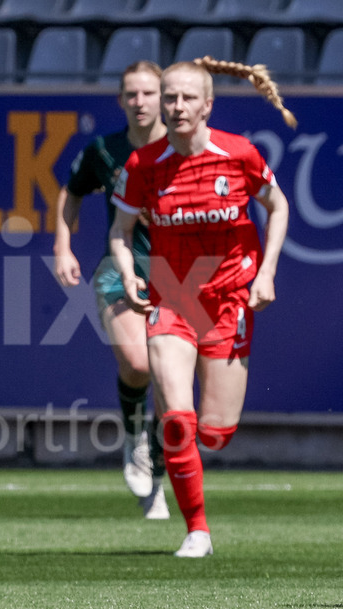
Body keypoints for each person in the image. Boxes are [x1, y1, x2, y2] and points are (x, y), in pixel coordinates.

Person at [109, 56, 293, 557]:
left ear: (208, 104)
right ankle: (197, 531)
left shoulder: (239, 154)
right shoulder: (142, 166)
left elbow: (278, 207)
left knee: (213, 435)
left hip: (229, 300)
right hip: (172, 298)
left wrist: (268, 271)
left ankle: (188, 454)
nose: (177, 106)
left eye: (188, 97)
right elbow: (121, 233)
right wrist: (129, 273)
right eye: (170, 97)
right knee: (176, 418)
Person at [53, 61, 169, 519]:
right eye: (131, 94)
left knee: (172, 386)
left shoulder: (181, 149)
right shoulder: (105, 149)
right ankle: (134, 437)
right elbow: (72, 190)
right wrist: (63, 247)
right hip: (118, 270)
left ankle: (157, 472)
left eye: (149, 93)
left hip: (177, 276)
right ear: (121, 100)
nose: (140, 101)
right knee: (139, 362)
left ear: (165, 98)